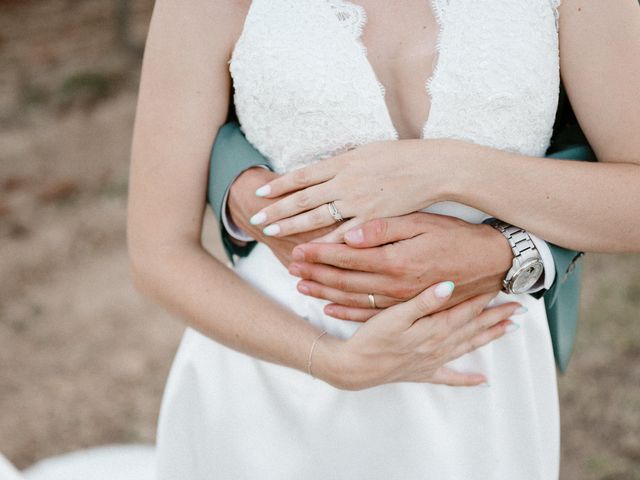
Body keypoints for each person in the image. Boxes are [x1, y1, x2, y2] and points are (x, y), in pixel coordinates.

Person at [127, 1, 640, 478]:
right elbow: (158, 252)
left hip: (476, 356)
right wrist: (326, 359)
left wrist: (453, 168)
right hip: (275, 361)